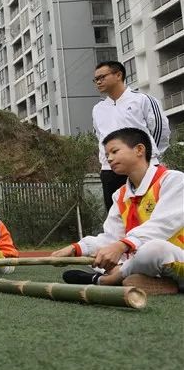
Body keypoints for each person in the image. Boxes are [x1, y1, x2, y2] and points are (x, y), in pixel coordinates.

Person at [55, 128, 183, 295]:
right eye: (107, 154)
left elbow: (163, 225)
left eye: (114, 151)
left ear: (139, 150)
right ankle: (158, 283)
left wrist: (121, 246)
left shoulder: (174, 180)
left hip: (174, 256)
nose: (109, 158)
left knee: (154, 249)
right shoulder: (120, 195)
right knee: (100, 255)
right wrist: (77, 248)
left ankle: (108, 279)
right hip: (146, 264)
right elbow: (111, 237)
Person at [91, 61, 169, 211]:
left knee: (150, 213)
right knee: (118, 215)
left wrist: (149, 156)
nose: (98, 82)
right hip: (110, 171)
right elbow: (100, 137)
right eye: (96, 79)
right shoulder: (98, 109)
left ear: (118, 75)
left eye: (102, 77)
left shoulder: (142, 100)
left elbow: (160, 130)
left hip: (142, 167)